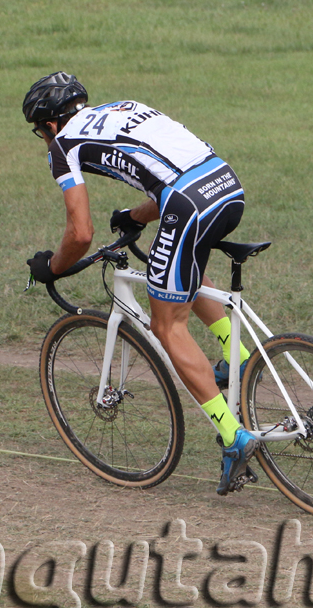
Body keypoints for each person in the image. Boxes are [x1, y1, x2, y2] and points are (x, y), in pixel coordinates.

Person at [22, 72, 258, 496]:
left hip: (187, 202)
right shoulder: (122, 108)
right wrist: (134, 216)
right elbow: (167, 172)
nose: (44, 139)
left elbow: (80, 234)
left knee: (167, 324)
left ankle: (233, 437)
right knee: (174, 271)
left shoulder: (63, 146)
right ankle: (236, 355)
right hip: (225, 183)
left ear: (50, 124)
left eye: (39, 131)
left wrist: (53, 268)